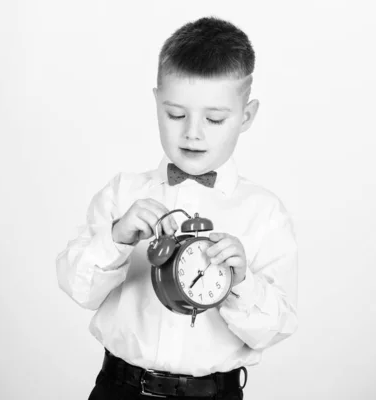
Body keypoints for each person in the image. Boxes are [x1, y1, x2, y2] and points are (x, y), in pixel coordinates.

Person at [56, 16, 298, 400]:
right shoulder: (123, 193)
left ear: (246, 116)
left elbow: (272, 330)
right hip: (120, 389)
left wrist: (242, 282)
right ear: (156, 103)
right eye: (175, 114)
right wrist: (116, 238)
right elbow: (77, 288)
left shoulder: (263, 213)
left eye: (215, 118)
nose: (193, 132)